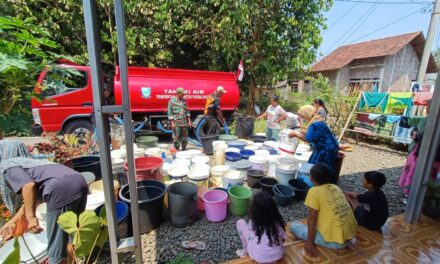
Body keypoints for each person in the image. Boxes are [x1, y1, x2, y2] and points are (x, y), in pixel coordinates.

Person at [0, 140, 88, 264]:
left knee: (55, 252)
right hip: (79, 182)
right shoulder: (32, 163)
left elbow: (28, 186)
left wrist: (31, 218)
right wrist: (12, 222)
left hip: (59, 191)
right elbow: (30, 198)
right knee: (71, 236)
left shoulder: (8, 166)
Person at [290, 163, 357, 257]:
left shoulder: (314, 191)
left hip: (336, 242)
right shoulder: (336, 187)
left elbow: (312, 219)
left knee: (293, 226)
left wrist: (309, 242)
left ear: (312, 178)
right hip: (350, 235)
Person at [400, 99, 440, 203]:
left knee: (416, 173)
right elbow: (415, 133)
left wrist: (417, 135)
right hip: (427, 153)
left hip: (425, 153)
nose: (426, 109)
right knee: (425, 174)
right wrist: (416, 134)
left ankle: (410, 195)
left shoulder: (430, 120)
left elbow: (417, 135)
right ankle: (420, 195)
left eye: (428, 107)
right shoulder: (427, 119)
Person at [236, 191, 286, 263]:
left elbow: (251, 233)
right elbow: (283, 239)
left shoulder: (253, 222)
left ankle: (246, 252)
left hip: (258, 257)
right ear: (273, 208)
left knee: (240, 223)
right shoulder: (277, 221)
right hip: (278, 255)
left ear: (254, 210)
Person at [288, 105, 339, 174]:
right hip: (327, 146)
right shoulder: (316, 120)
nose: (302, 118)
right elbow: (315, 134)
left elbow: (307, 139)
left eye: (302, 116)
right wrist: (305, 132)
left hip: (327, 148)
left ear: (307, 114)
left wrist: (296, 134)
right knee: (312, 163)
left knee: (319, 168)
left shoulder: (315, 124)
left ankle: (321, 181)